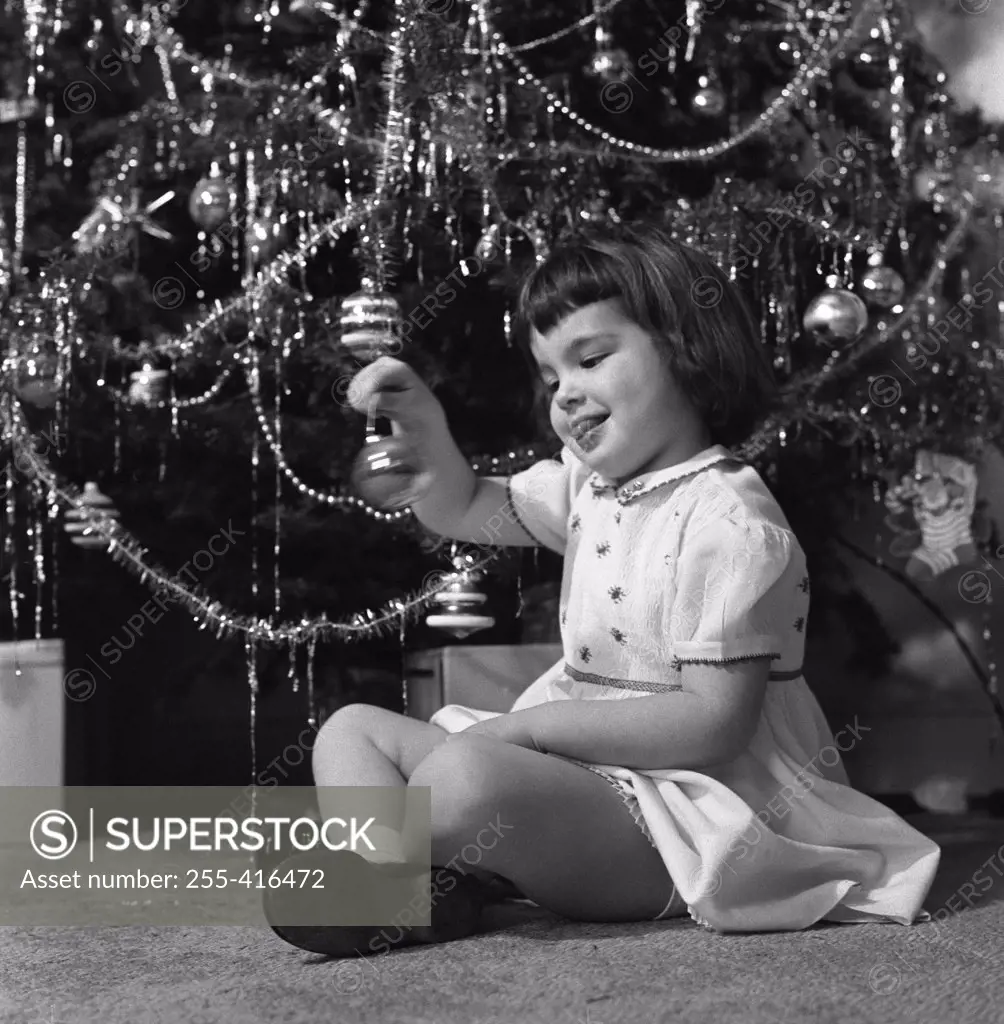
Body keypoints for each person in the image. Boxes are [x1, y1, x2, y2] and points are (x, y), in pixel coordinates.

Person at [265, 222, 940, 958]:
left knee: (467, 775)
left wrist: (527, 730)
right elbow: (466, 505)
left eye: (591, 358)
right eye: (552, 377)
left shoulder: (732, 526)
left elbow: (714, 725)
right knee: (352, 730)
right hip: (579, 784)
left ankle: (404, 867)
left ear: (688, 348)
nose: (567, 395)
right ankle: (422, 887)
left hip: (683, 820)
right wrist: (427, 434)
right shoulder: (594, 486)